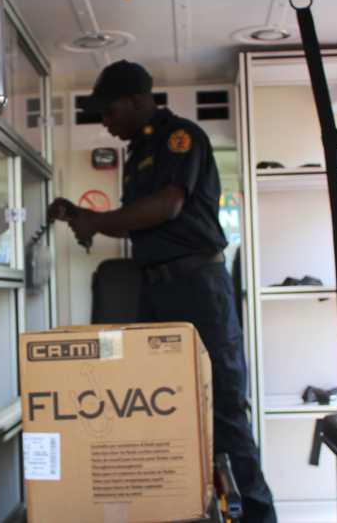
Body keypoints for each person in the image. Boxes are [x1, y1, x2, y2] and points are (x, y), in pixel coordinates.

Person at [48, 60, 276, 523]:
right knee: (160, 410)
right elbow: (137, 221)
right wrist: (81, 216)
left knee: (224, 411)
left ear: (136, 101)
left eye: (109, 111)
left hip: (199, 290)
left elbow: (167, 207)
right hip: (155, 293)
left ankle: (257, 516)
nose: (105, 122)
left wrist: (96, 221)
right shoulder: (138, 154)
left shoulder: (180, 138)